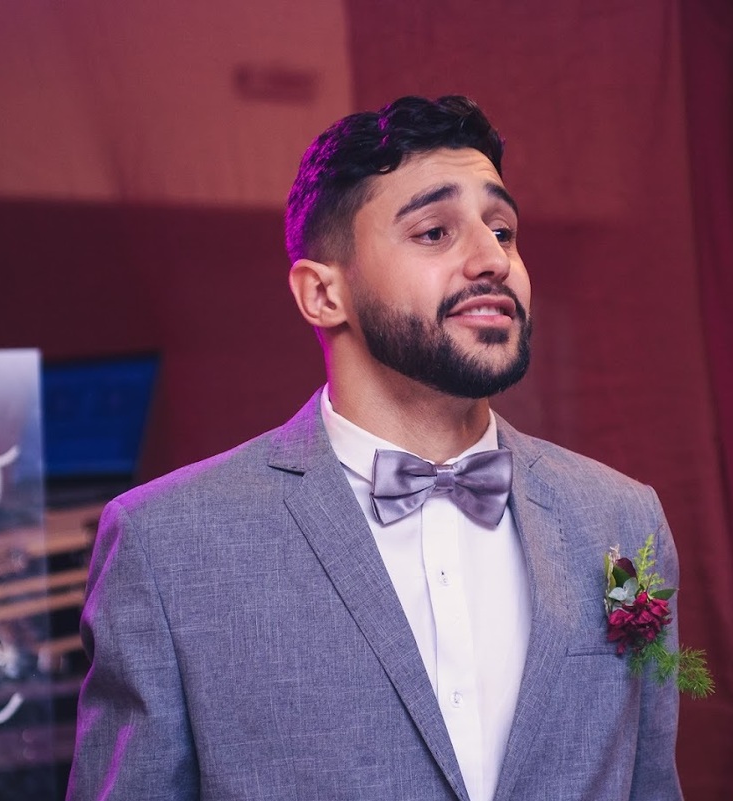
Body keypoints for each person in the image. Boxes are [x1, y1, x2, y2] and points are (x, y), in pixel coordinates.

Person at [67, 95, 683, 801]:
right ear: (322, 294)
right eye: (434, 231)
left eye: (503, 230)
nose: (493, 259)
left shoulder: (620, 521)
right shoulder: (167, 546)